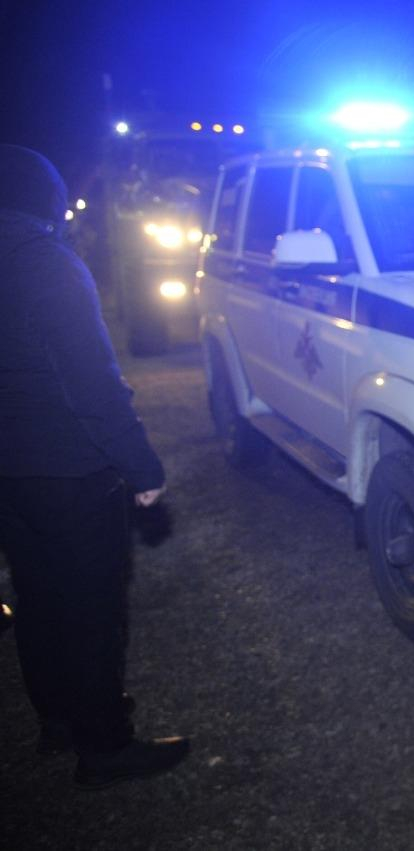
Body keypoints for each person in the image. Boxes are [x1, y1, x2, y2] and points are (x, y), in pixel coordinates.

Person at [0, 144, 189, 790]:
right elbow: (91, 380)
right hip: (71, 468)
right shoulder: (48, 264)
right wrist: (140, 464)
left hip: (10, 472)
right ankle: (104, 745)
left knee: (38, 596)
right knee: (90, 607)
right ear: (46, 199)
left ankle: (58, 718)